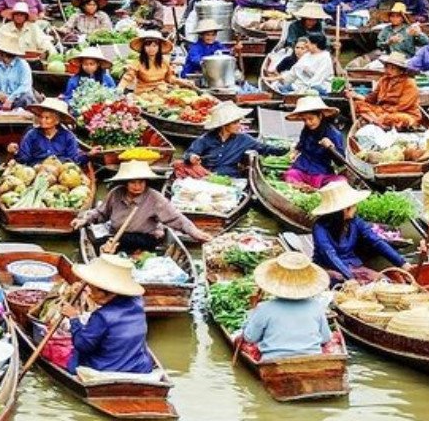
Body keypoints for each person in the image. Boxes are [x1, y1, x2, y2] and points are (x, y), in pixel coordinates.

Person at [72, 161, 210, 252]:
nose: (137, 187)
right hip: (116, 235)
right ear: (126, 183)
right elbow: (101, 213)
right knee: (98, 242)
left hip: (144, 239)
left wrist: (195, 232)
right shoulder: (116, 194)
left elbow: (176, 218)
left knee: (123, 240)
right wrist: (84, 220)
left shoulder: (154, 197)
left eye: (141, 182)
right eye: (133, 182)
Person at [57, 254, 155, 375]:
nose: (90, 294)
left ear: (109, 293)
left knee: (70, 353)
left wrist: (74, 318)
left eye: (93, 291)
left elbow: (82, 345)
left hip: (106, 368)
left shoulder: (102, 317)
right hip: (138, 365)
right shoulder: (138, 302)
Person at [311, 181, 410, 283]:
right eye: (353, 205)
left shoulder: (355, 222)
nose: (355, 208)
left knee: (384, 281)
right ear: (344, 210)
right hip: (329, 268)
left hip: (352, 266)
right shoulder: (320, 227)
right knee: (340, 279)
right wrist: (351, 278)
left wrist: (402, 264)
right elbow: (329, 255)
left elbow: (376, 241)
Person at [241, 252, 332, 360]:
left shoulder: (264, 308)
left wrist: (252, 311)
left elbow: (250, 338)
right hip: (312, 359)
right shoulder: (316, 306)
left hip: (273, 360)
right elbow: (326, 338)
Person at [182, 102, 288, 177]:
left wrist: (286, 150)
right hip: (205, 175)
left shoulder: (244, 140)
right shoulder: (206, 139)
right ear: (224, 125)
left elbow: (265, 148)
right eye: (235, 123)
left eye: (239, 122)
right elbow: (189, 153)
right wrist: (192, 157)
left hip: (230, 178)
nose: (239, 126)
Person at [282, 96, 345, 188]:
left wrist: (331, 147)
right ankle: (303, 186)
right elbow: (301, 145)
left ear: (320, 116)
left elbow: (340, 162)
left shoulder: (334, 134)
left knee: (341, 181)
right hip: (301, 169)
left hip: (321, 172)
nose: (308, 123)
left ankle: (308, 187)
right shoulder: (306, 130)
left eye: (311, 119)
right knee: (290, 175)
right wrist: (294, 152)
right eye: (304, 120)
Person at [347, 52, 422, 129]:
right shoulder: (384, 80)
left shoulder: (409, 83)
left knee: (401, 118)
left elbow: (402, 106)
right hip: (381, 111)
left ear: (401, 71)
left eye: (393, 68)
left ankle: (375, 120)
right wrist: (355, 95)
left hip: (404, 113)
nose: (388, 70)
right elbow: (372, 99)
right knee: (357, 104)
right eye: (387, 67)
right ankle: (376, 121)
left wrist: (384, 114)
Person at [9, 97, 90, 165]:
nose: (42, 120)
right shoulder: (31, 135)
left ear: (57, 121)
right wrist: (16, 151)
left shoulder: (68, 136)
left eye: (47, 118)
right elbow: (24, 158)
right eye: (41, 117)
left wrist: (89, 155)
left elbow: (74, 159)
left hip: (61, 173)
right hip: (36, 171)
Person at [119, 30, 193, 92]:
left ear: (159, 47)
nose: (151, 48)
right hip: (142, 94)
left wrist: (182, 81)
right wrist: (120, 89)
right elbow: (128, 77)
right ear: (143, 47)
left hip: (162, 92)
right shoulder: (137, 63)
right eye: (148, 45)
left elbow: (170, 78)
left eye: (155, 46)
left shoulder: (164, 62)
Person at [0, 31, 36, 110]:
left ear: (3, 53)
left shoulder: (23, 65)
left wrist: (10, 99)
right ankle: (1, 109)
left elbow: (25, 86)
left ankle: (7, 110)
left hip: (16, 100)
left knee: (27, 97)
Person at [266, 32, 334, 94]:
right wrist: (275, 79)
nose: (306, 45)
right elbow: (293, 72)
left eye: (308, 42)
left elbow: (317, 80)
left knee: (313, 90)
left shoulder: (325, 58)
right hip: (299, 86)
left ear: (315, 44)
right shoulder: (307, 55)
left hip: (317, 88)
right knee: (278, 88)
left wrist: (298, 91)